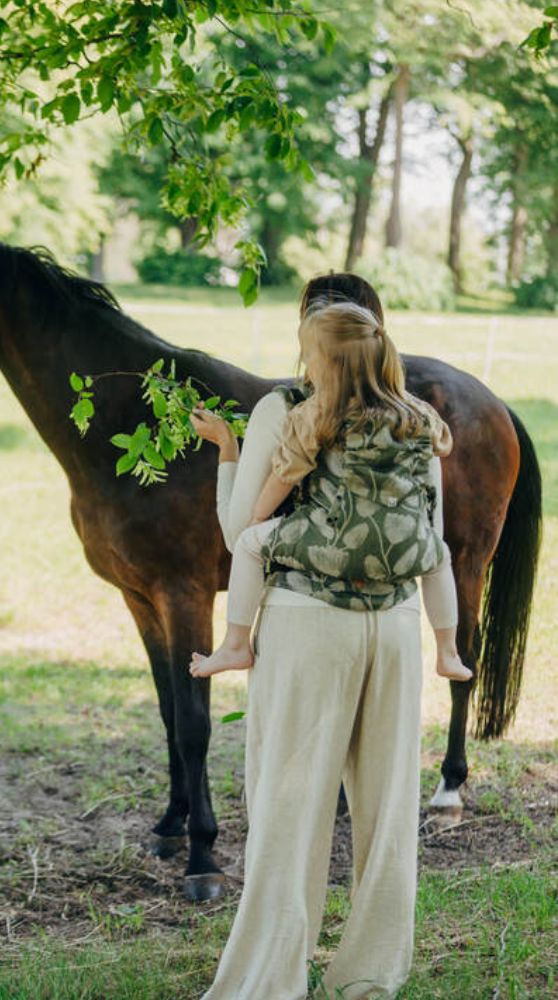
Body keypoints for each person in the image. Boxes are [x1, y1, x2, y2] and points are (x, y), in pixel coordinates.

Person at [189, 273, 444, 1000]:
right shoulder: (416, 416)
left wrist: (230, 448)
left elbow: (242, 531)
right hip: (396, 629)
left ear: (310, 338)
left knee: (289, 807)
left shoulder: (289, 406)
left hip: (310, 626)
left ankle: (270, 982)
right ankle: (370, 977)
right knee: (389, 810)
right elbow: (429, 534)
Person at [190, 298, 471, 684]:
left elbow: (286, 472)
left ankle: (236, 644)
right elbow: (443, 444)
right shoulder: (417, 413)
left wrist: (257, 516)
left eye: (309, 357)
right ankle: (448, 652)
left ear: (330, 365)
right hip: (404, 545)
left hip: (337, 539)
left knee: (251, 545)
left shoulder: (317, 412)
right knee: (440, 558)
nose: (306, 366)